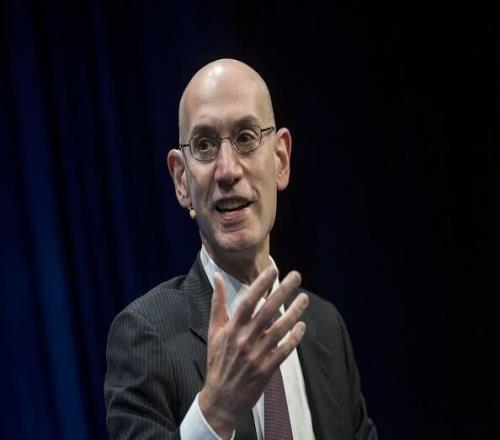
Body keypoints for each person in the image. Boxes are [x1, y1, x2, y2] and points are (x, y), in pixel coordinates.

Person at [104, 58, 377, 440]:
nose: (228, 170)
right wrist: (213, 414)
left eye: (246, 138)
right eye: (204, 145)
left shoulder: (325, 328)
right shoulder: (145, 336)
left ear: (280, 160)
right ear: (181, 180)